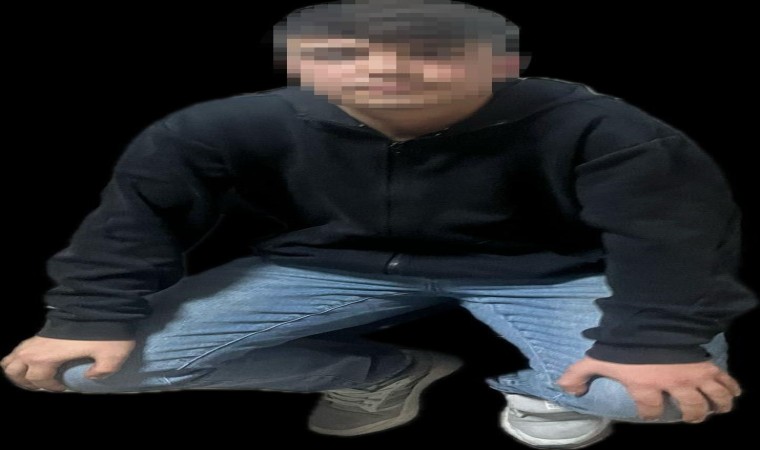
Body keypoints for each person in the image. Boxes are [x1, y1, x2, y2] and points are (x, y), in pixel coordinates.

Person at [2, 0, 757, 447]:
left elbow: (676, 237)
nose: (385, 68)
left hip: (547, 273)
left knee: (652, 397)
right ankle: (383, 374)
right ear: (297, 64)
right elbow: (135, 223)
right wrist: (87, 315)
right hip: (329, 266)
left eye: (431, 51)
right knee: (79, 370)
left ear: (505, 64)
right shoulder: (213, 128)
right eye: (341, 52)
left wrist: (653, 343)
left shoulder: (605, 128)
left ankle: (540, 387)